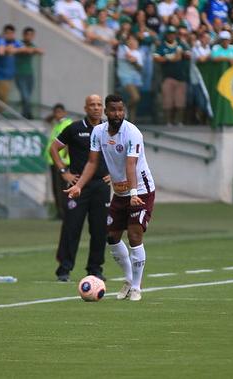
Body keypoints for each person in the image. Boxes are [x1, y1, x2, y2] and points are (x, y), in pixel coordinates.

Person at [65, 94, 155, 302]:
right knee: (112, 237)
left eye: (121, 110)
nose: (117, 114)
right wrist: (78, 186)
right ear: (106, 112)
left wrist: (133, 193)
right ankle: (128, 279)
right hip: (121, 193)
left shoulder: (132, 133)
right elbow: (92, 163)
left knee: (134, 236)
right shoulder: (98, 132)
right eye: (113, 110)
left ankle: (136, 287)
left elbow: (130, 164)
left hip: (140, 190)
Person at [50, 95, 111, 282]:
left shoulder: (111, 129)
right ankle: (64, 269)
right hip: (77, 186)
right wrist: (64, 172)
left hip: (101, 186)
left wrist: (116, 173)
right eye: (92, 105)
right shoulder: (75, 128)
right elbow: (54, 148)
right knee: (72, 227)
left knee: (100, 228)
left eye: (99, 105)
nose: (96, 108)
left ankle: (95, 269)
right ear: (85, 108)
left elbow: (122, 151)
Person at [45, 103, 72, 219]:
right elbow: (46, 120)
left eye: (60, 112)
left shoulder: (67, 124)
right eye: (55, 112)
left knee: (62, 187)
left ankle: (65, 212)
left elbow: (68, 143)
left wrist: (65, 159)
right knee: (56, 188)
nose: (57, 115)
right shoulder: (57, 125)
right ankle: (59, 211)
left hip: (61, 161)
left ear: (64, 113)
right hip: (53, 161)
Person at [15, 27, 44, 119]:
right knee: (25, 95)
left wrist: (33, 50)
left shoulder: (32, 44)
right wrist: (31, 50)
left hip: (29, 73)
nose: (30, 37)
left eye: (32, 35)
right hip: (20, 73)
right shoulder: (19, 43)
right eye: (28, 35)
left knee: (29, 96)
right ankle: (27, 114)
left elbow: (41, 51)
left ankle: (26, 112)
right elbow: (23, 50)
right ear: (24, 35)